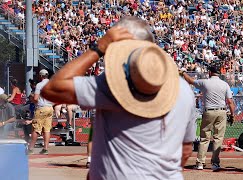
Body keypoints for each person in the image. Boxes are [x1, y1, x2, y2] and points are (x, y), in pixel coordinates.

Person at [41, 16, 196, 180]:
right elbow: (185, 150)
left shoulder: (112, 86)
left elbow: (52, 89)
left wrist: (98, 48)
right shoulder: (185, 90)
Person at [180, 64, 236, 171]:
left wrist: (183, 73)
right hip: (221, 112)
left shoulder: (205, 82)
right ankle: (215, 163)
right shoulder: (224, 84)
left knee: (204, 138)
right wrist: (232, 115)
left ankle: (200, 163)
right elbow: (230, 102)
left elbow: (190, 81)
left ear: (210, 72)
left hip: (208, 111)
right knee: (218, 138)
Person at [28, 69, 54, 155]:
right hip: (50, 107)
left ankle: (31, 148)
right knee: (47, 129)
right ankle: (45, 148)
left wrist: (33, 100)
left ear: (41, 76)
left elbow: (35, 98)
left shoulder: (39, 85)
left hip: (42, 108)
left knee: (36, 128)